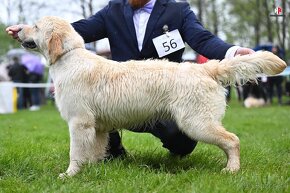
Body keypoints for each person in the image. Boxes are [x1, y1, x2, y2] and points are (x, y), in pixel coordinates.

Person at [6, 0, 254, 158]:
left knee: (183, 144)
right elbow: (76, 29)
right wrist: (31, 32)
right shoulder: (113, 9)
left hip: (165, 94)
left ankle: (181, 143)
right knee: (99, 104)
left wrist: (233, 53)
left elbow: (202, 39)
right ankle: (112, 151)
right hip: (119, 96)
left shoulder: (178, 10)